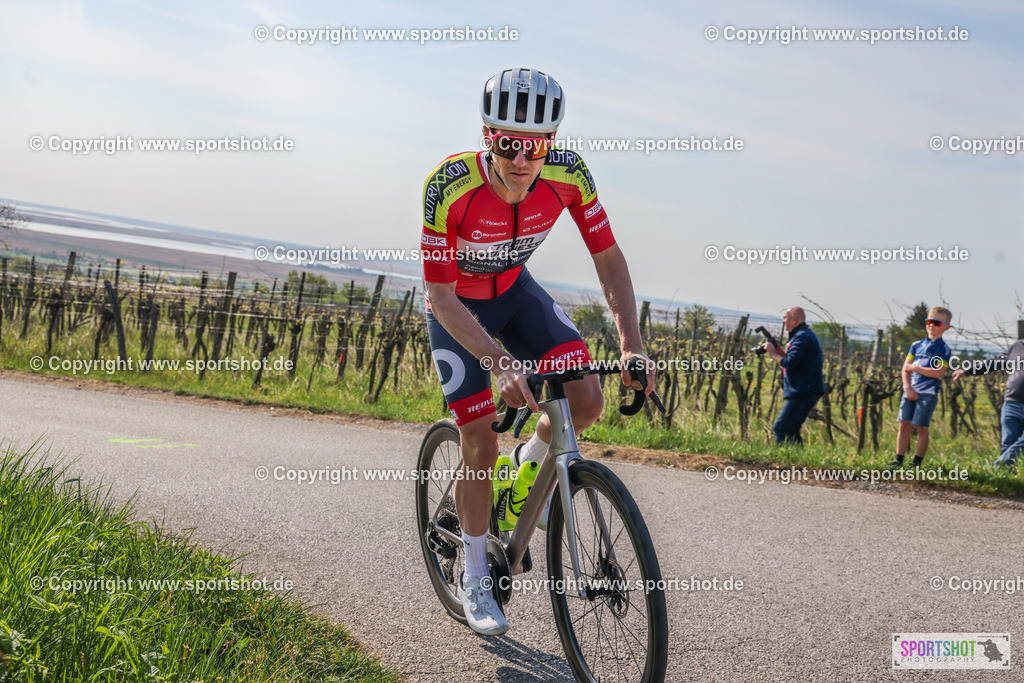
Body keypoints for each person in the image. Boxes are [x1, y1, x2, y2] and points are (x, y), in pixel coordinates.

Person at [420, 68, 654, 636]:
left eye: (536, 145)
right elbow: (440, 294)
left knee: (586, 398)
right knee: (478, 439)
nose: (522, 159)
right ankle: (475, 574)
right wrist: (498, 361)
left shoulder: (569, 176)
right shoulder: (448, 186)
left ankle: (525, 477)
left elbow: (607, 257)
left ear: (551, 143)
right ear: (487, 137)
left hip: (515, 293)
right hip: (458, 311)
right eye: (508, 143)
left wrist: (631, 343)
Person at [889, 307, 952, 468]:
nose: (932, 325)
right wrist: (907, 387)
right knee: (904, 424)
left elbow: (938, 372)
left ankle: (916, 462)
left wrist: (916, 368)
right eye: (929, 321)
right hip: (909, 391)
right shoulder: (916, 345)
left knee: (921, 427)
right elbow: (905, 368)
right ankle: (898, 459)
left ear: (946, 327)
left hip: (928, 394)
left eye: (937, 323)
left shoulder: (943, 349)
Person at [952, 337, 1024, 469]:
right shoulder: (1017, 346)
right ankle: (1005, 481)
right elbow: (993, 363)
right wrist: (967, 371)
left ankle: (993, 469)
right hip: (1012, 403)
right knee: (1008, 444)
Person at [762, 307, 826, 445]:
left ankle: (784, 463)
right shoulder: (803, 335)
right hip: (806, 389)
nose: (783, 321)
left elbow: (790, 363)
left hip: (803, 390)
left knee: (781, 428)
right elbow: (795, 361)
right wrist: (779, 351)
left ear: (794, 319)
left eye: (785, 317)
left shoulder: (802, 336)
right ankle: (798, 462)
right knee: (792, 431)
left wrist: (773, 354)